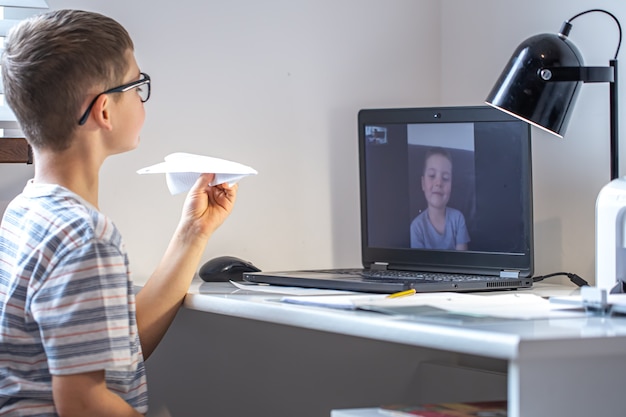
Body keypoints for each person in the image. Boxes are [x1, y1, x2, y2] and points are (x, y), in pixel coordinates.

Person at [0, 9, 237, 416]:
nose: (142, 97)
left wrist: (193, 233)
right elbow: (82, 402)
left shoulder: (26, 211)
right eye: (137, 85)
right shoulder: (86, 236)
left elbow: (108, 351)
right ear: (105, 111)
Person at [410, 147, 469, 250]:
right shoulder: (417, 227)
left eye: (445, 178)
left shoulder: (458, 218)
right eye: (432, 175)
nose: (439, 183)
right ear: (423, 184)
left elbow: (462, 260)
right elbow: (419, 264)